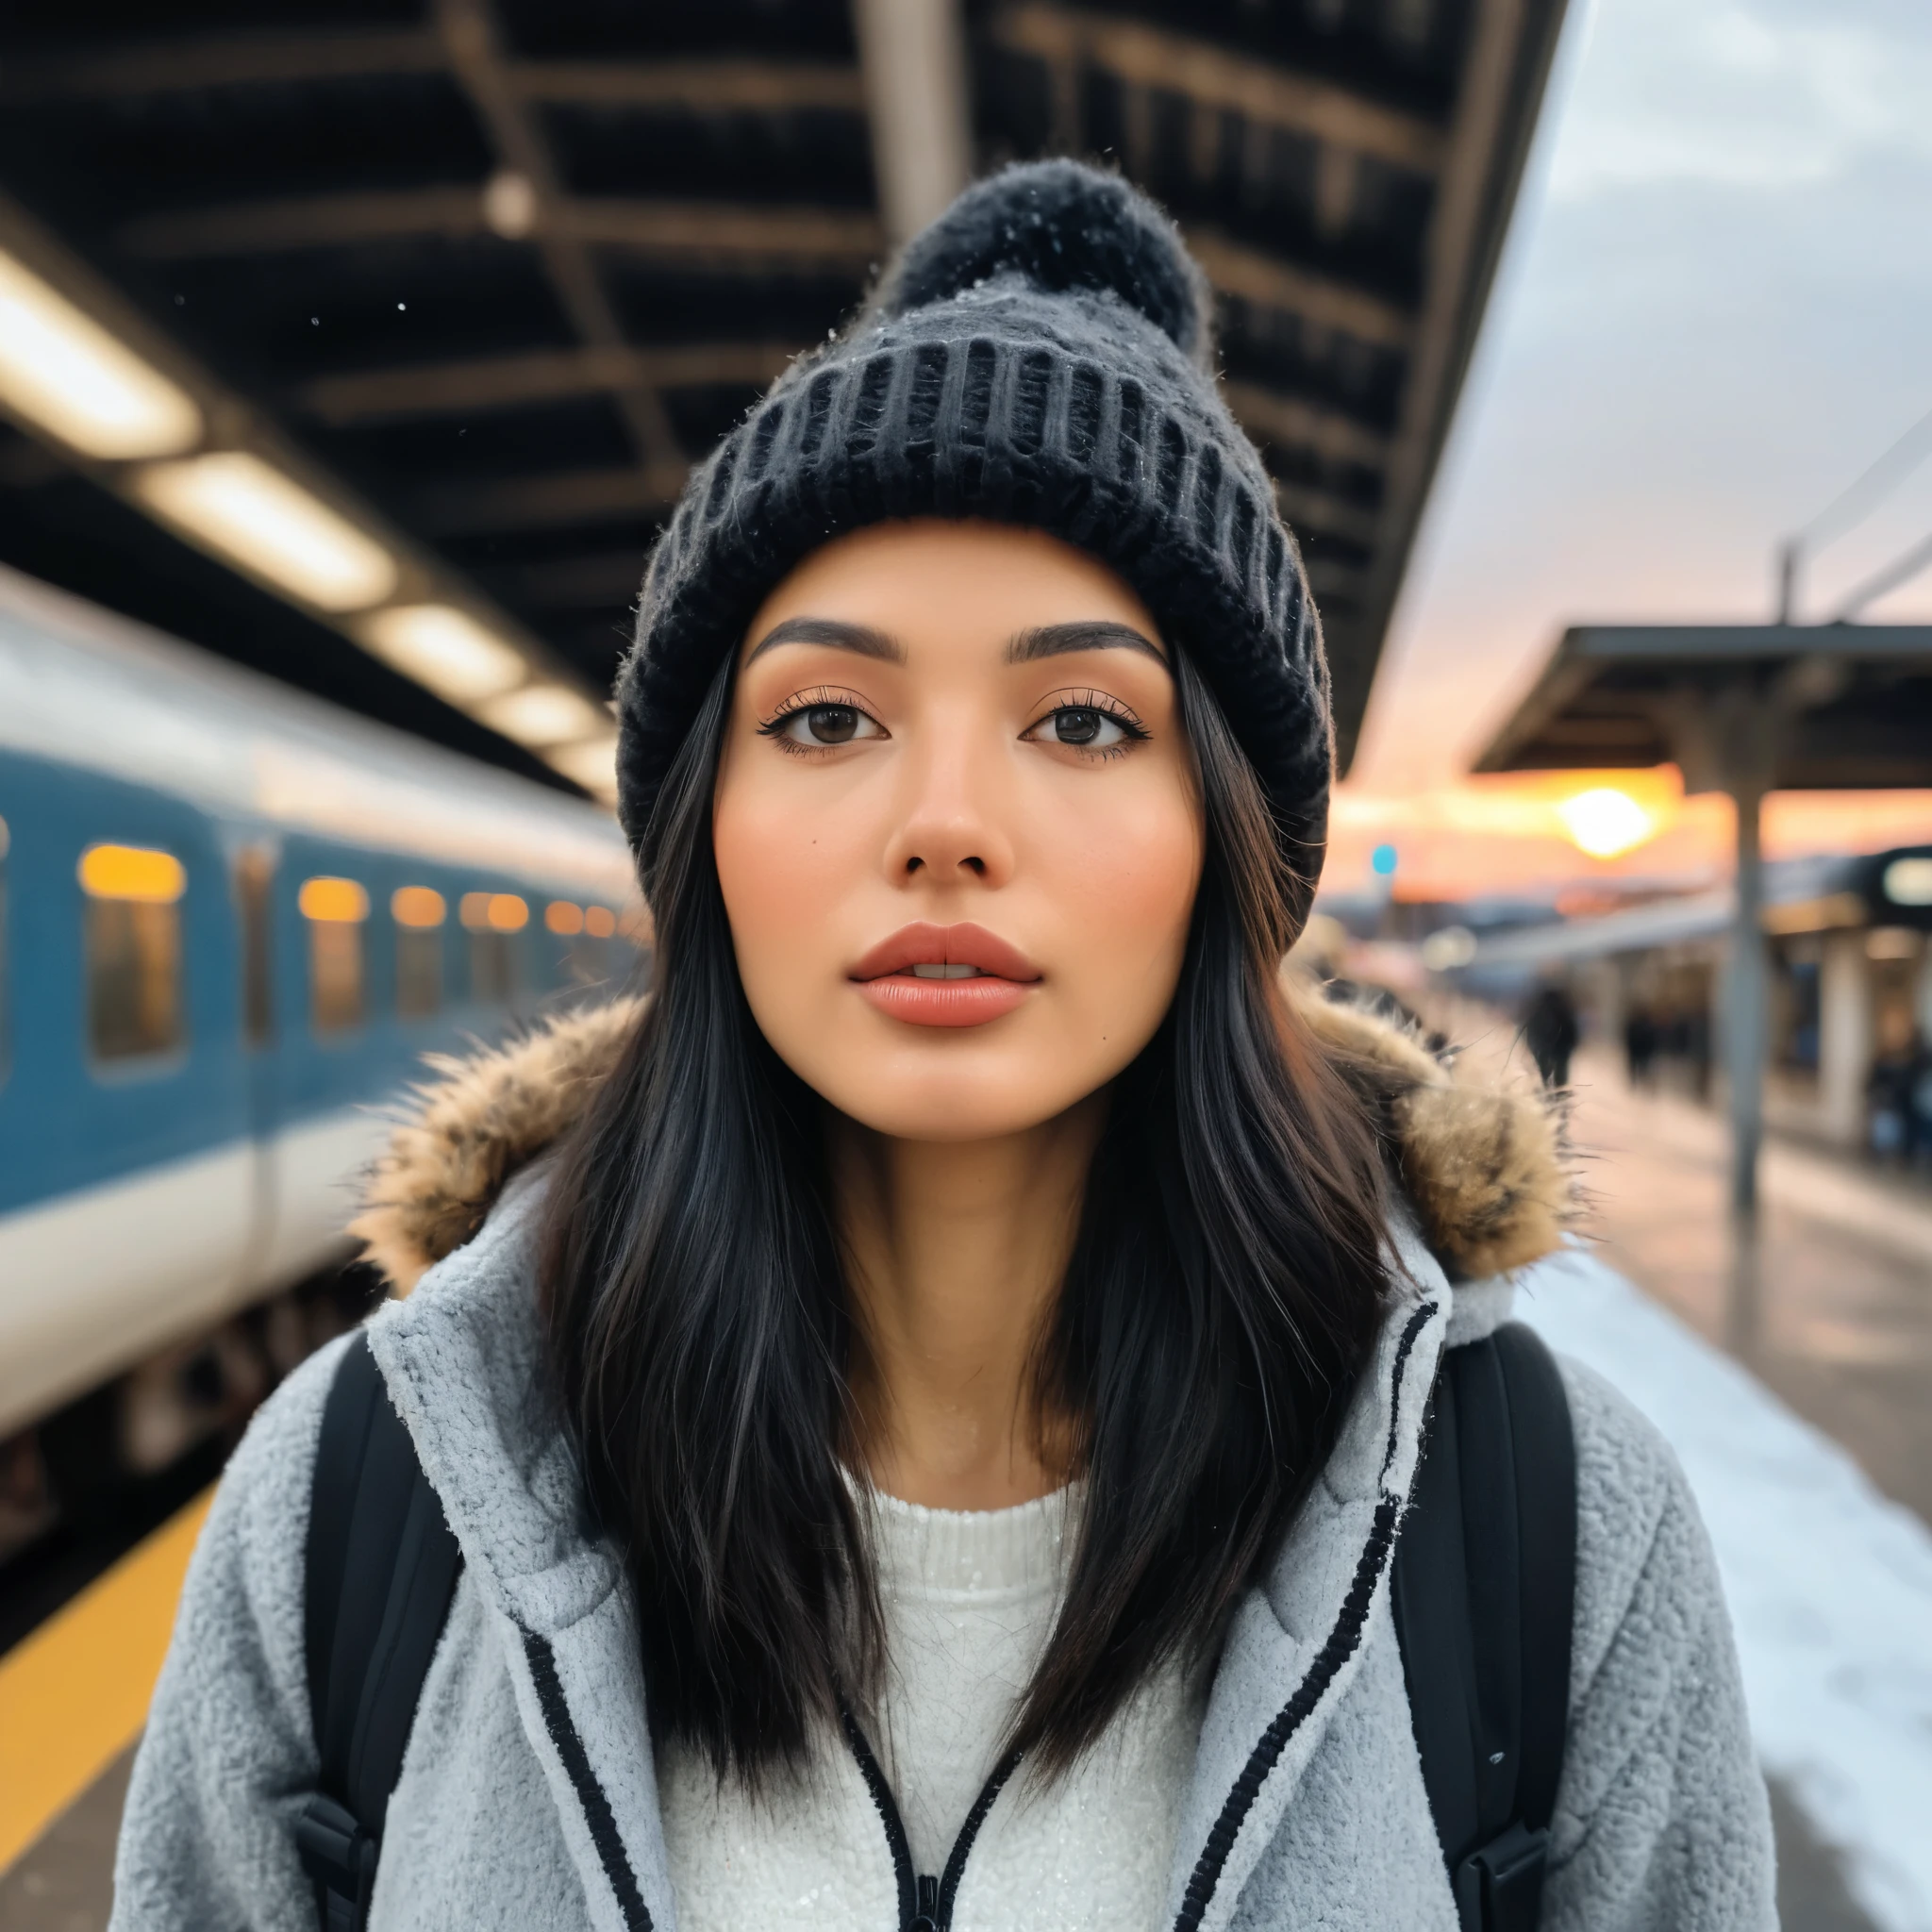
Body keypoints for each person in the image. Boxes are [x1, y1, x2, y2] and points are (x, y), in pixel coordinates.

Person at [111, 163, 1774, 1931]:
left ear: (1229, 846)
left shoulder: (1539, 1528)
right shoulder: (369, 1489)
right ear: (704, 837)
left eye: (1080, 716)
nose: (945, 823)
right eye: (826, 716)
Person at [1522, 983, 1580, 1091]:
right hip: (1561, 1049)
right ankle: (1560, 1091)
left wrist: (1530, 1045)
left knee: (1544, 1071)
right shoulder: (1564, 1009)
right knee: (1561, 1073)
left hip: (1542, 1048)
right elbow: (1572, 1029)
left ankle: (1546, 1090)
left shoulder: (1537, 1009)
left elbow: (1528, 1028)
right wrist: (1572, 1045)